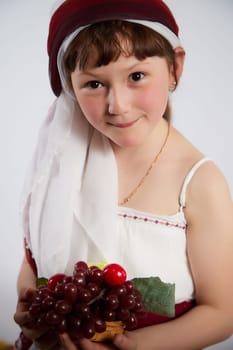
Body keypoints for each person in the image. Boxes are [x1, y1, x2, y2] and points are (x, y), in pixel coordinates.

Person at [14, 0, 233, 349]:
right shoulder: (63, 163)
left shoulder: (199, 182)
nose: (118, 104)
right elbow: (35, 259)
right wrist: (33, 309)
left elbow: (222, 312)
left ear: (175, 67)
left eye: (136, 76)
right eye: (94, 84)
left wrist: (134, 347)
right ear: (70, 87)